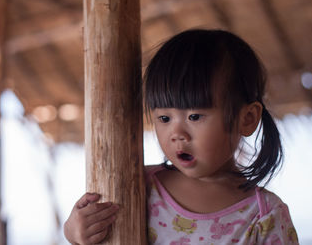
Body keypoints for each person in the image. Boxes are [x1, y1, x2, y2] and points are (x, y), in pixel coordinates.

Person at [63, 29, 299, 244]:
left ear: (246, 119)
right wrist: (75, 233)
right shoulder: (136, 186)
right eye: (164, 119)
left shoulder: (264, 215)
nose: (177, 134)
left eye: (195, 117)